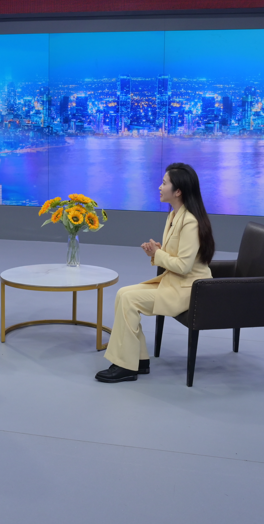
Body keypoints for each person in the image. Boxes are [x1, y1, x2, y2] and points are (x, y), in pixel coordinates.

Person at [96, 163, 215, 383]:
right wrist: (158, 251)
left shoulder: (190, 222)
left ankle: (126, 365)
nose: (160, 187)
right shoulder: (173, 216)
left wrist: (158, 254)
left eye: (164, 183)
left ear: (178, 191)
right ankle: (140, 360)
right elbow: (177, 257)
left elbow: (184, 266)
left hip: (190, 289)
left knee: (129, 299)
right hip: (175, 282)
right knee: (123, 293)